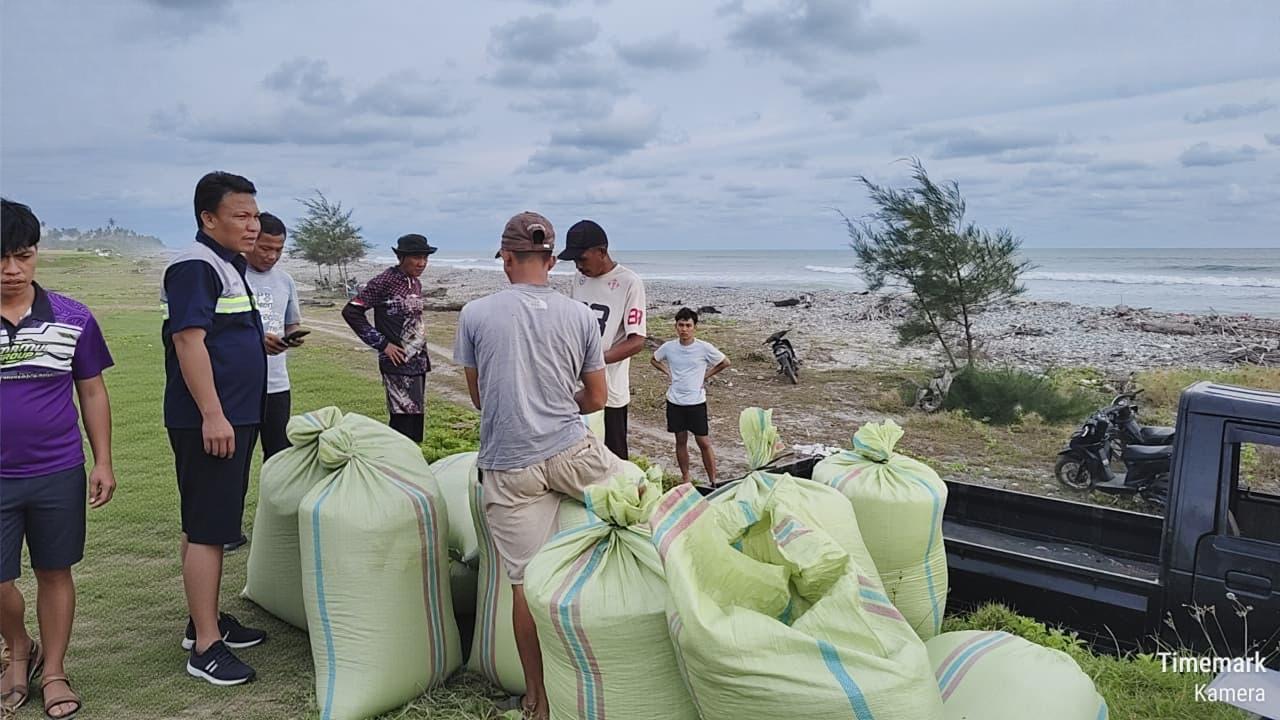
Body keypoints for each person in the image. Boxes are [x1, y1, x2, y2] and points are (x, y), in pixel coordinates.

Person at [454, 211, 622, 720]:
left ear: (506, 257)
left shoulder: (476, 314)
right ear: (552, 260)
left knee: (524, 587)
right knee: (644, 509)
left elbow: (482, 398)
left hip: (509, 466)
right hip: (574, 453)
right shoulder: (578, 316)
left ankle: (537, 700)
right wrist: (555, 400)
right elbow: (597, 398)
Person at [1, 199, 115, 719]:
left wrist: (103, 460)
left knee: (54, 571)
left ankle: (54, 672)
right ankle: (19, 647)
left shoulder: (73, 316)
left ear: (36, 254)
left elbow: (91, 391)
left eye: (22, 256)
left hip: (57, 471)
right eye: (0, 258)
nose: (11, 270)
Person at [162, 172, 268, 687]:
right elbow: (188, 341)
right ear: (209, 218)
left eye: (254, 216)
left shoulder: (227, 265)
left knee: (206, 519)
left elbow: (217, 334)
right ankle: (205, 646)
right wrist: (212, 414)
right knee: (209, 530)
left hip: (234, 414)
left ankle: (202, 621)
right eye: (240, 217)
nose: (252, 226)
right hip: (212, 420)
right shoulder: (195, 266)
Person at [224, 212, 303, 553]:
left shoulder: (285, 281)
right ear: (250, 241)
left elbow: (291, 323)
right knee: (235, 460)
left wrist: (292, 337)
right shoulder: (229, 278)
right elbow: (216, 334)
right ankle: (227, 529)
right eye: (265, 248)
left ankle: (278, 525)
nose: (271, 256)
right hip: (239, 388)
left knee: (280, 459)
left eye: (278, 250)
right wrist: (256, 341)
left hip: (276, 384)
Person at [558, 220, 646, 460]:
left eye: (582, 259)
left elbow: (637, 341)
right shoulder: (580, 279)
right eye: (574, 261)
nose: (578, 266)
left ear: (602, 252)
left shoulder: (629, 282)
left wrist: (594, 361)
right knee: (577, 452)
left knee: (614, 458)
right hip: (575, 385)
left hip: (610, 391)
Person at [342, 234, 436, 442]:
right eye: (416, 258)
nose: (422, 263)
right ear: (401, 257)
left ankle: (412, 466)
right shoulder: (384, 281)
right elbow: (351, 312)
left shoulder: (415, 282)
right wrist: (383, 345)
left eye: (425, 258)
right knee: (402, 426)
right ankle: (395, 468)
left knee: (415, 422)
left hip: (417, 362)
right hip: (396, 363)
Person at [651, 307, 731, 485]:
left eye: (688, 325)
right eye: (681, 325)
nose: (684, 329)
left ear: (695, 327)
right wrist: (667, 373)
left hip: (696, 402)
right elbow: (654, 359)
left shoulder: (703, 348)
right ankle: (686, 478)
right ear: (676, 326)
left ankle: (713, 480)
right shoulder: (669, 347)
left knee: (703, 442)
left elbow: (725, 362)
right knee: (680, 440)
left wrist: (706, 375)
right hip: (675, 401)